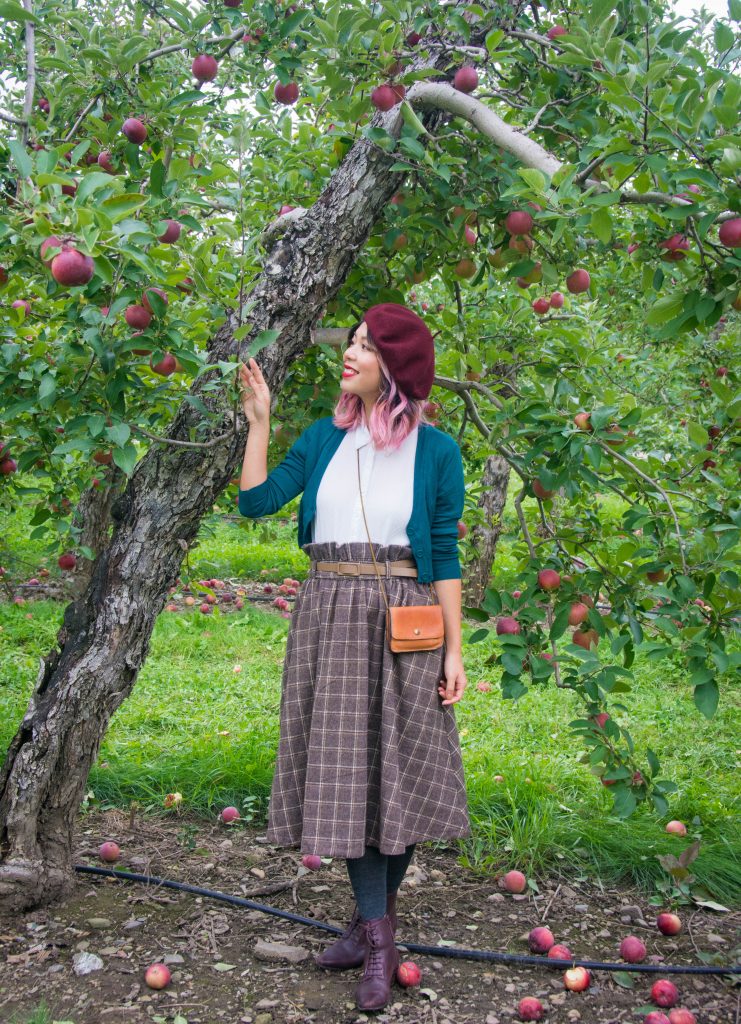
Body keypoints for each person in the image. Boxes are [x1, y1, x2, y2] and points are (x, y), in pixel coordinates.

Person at [237, 303, 471, 1012]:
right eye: (352, 345)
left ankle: (371, 931)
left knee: (396, 774)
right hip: (329, 616)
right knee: (345, 776)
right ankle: (377, 938)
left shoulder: (437, 452)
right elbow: (255, 503)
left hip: (405, 618)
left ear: (394, 369)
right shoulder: (322, 439)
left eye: (366, 349)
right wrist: (258, 424)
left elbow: (445, 552)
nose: (350, 355)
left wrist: (456, 650)